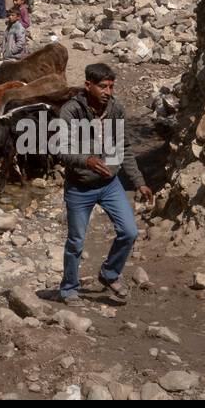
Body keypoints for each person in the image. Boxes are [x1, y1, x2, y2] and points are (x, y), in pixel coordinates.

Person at [55, 63, 153, 306]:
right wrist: (86, 161)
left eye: (111, 86)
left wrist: (138, 181)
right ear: (88, 86)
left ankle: (109, 273)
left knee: (129, 231)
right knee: (76, 241)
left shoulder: (116, 109)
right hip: (79, 186)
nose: (108, 92)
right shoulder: (70, 111)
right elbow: (59, 150)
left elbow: (124, 149)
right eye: (102, 86)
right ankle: (69, 289)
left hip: (110, 183)